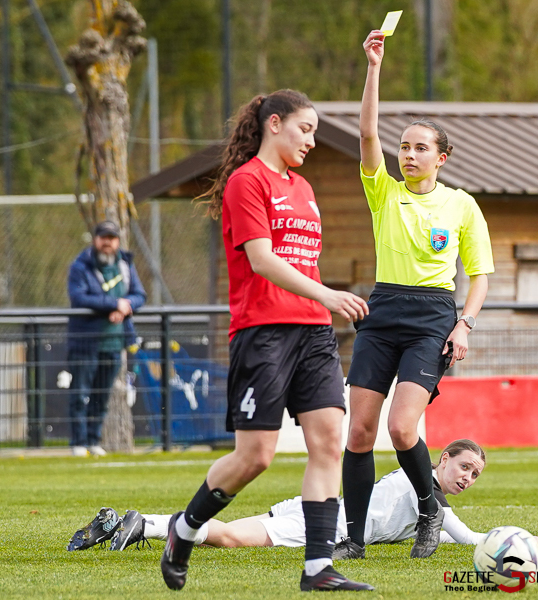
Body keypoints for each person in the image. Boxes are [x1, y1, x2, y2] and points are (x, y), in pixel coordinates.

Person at [159, 90, 372, 593]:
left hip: (314, 332)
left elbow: (301, 261)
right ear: (274, 124)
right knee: (255, 456)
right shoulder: (246, 181)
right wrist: (328, 294)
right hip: (264, 333)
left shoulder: (303, 187)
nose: (312, 141)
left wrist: (321, 304)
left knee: (329, 442)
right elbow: (262, 260)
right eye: (305, 129)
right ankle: (185, 528)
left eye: (315, 132)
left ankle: (318, 567)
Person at [339, 31, 495, 562]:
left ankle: (430, 510)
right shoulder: (382, 192)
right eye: (404, 147)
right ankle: (353, 540)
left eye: (420, 147)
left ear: (441, 157)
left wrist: (464, 324)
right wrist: (373, 66)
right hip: (383, 311)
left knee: (402, 427)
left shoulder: (462, 206)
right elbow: (366, 133)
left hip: (432, 317)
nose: (408, 154)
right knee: (360, 432)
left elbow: (480, 275)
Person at [71, 440, 538, 552]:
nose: (469, 477)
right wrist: (519, 543)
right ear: (442, 459)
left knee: (231, 534)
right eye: (465, 466)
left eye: (476, 474)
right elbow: (467, 537)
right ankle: (144, 524)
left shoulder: (428, 503)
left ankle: (136, 523)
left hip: (319, 515)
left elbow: (446, 536)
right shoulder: (423, 485)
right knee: (231, 539)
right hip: (322, 523)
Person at [66, 220, 146, 458]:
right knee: (80, 394)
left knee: (102, 395)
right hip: (85, 341)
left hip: (114, 341)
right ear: (95, 240)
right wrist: (113, 304)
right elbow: (79, 297)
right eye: (103, 238)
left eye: (112, 238)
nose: (107, 242)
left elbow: (139, 295)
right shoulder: (80, 266)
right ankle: (78, 443)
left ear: (118, 241)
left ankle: (93, 440)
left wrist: (125, 306)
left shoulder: (125, 264)